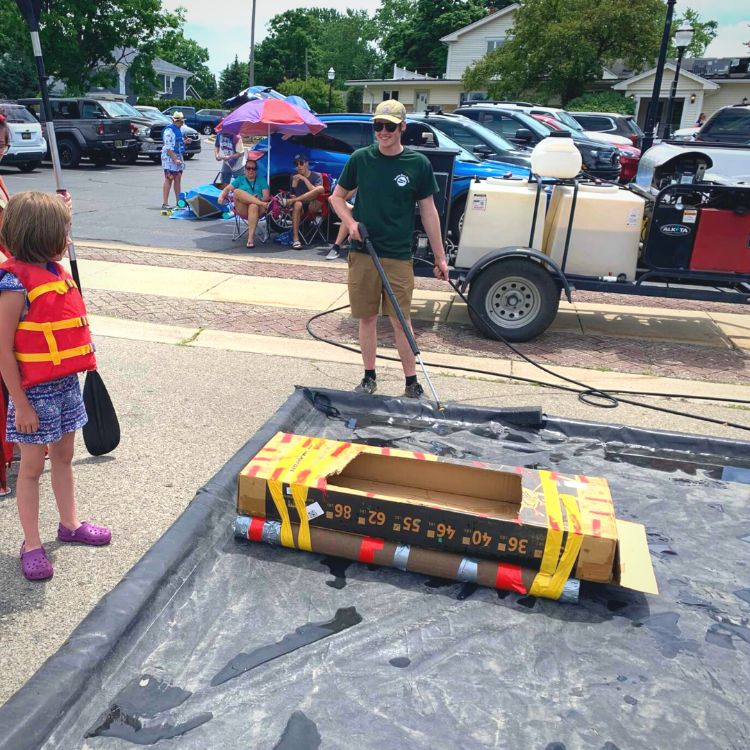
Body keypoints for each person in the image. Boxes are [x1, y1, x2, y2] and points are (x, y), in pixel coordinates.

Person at [0, 192, 111, 582]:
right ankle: (31, 544)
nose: (68, 239)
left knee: (64, 457)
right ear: (40, 235)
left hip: (65, 385)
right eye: (63, 232)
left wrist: (65, 207)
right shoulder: (13, 284)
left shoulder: (53, 272)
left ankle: (70, 523)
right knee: (31, 468)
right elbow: (3, 351)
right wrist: (21, 404)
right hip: (34, 395)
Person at [329, 99, 449, 399]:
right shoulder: (360, 159)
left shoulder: (417, 164)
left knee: (400, 319)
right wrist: (350, 222)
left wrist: (440, 256)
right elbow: (336, 197)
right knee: (367, 318)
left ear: (402, 128)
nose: (382, 132)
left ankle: (411, 381)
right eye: (378, 126)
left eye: (389, 127)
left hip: (397, 255)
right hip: (363, 252)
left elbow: (429, 212)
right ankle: (369, 377)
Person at [217, 159, 270, 248]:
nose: (251, 170)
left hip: (258, 208)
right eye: (248, 168)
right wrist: (221, 197)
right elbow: (227, 189)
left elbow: (266, 197)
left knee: (253, 206)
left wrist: (258, 199)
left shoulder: (261, 180)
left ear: (256, 170)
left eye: (253, 168)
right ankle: (256, 201)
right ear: (245, 170)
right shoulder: (240, 179)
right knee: (237, 191)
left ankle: (250, 239)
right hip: (243, 208)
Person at [287, 154, 324, 249]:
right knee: (297, 204)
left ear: (306, 164)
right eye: (296, 164)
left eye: (301, 163)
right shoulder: (293, 176)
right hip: (300, 206)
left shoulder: (316, 176)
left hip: (313, 204)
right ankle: (296, 239)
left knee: (320, 188)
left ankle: (296, 200)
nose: (299, 166)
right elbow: (291, 194)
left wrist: (303, 178)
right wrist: (294, 186)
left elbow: (315, 191)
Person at [161, 112, 186, 210]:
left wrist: (185, 141)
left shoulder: (179, 129)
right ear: (176, 121)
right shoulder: (169, 130)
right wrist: (175, 159)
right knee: (169, 178)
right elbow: (168, 147)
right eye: (181, 121)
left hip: (178, 155)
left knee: (178, 178)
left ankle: (178, 202)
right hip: (169, 157)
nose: (182, 123)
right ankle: (165, 203)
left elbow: (178, 141)